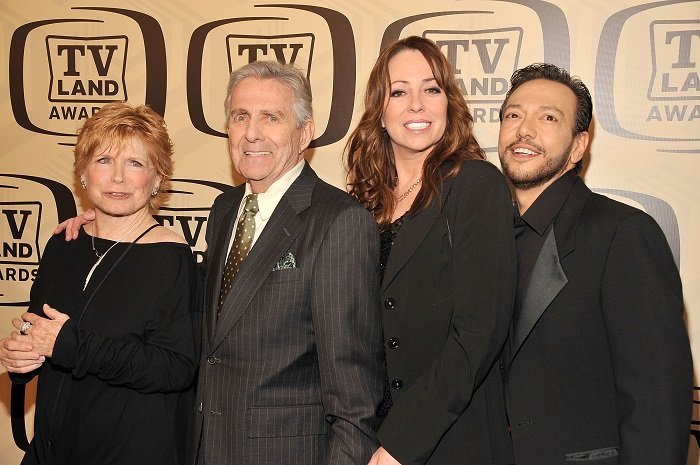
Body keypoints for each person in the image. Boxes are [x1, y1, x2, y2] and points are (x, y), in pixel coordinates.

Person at [497, 63, 692, 465]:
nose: (524, 130)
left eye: (548, 117)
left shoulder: (624, 234)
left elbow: (658, 403)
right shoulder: (484, 237)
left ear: (578, 146)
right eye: (513, 115)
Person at [346, 36, 517, 465]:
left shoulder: (476, 185)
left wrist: (402, 442)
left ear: (449, 104)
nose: (416, 105)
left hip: (451, 438)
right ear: (379, 113)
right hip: (368, 437)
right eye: (399, 91)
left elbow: (479, 332)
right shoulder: (361, 205)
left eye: (431, 88)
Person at [0, 102, 200, 465]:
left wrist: (70, 344)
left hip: (127, 453)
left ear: (157, 179)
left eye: (135, 163)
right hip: (51, 451)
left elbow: (174, 367)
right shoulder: (64, 244)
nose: (118, 178)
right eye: (104, 161)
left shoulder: (170, 257)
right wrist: (21, 361)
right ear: (83, 173)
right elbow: (38, 330)